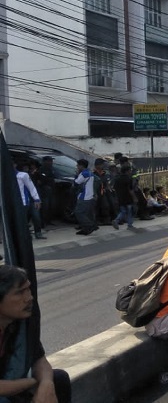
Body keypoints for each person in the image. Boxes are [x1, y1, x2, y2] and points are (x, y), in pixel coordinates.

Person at [0, 265, 72, 403]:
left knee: (58, 379)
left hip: (14, 386)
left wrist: (46, 385)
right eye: (20, 292)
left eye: (28, 289)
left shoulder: (20, 324)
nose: (29, 298)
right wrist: (31, 383)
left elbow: (39, 359)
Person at [16, 163, 46, 240]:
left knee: (36, 217)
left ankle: (38, 233)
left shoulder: (26, 175)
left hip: (32, 200)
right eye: (24, 167)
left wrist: (37, 199)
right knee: (24, 219)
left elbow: (32, 187)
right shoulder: (17, 176)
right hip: (22, 201)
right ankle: (26, 234)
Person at [73, 159, 98, 236]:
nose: (77, 167)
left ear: (81, 166)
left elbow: (76, 183)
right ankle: (86, 229)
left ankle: (90, 225)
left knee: (79, 212)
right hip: (91, 196)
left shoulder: (84, 174)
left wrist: (76, 174)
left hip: (84, 196)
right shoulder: (90, 173)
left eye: (78, 165)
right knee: (87, 213)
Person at [112, 165, 136, 230]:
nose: (130, 171)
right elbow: (130, 190)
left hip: (120, 197)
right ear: (127, 171)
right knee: (129, 211)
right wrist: (134, 198)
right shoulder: (128, 179)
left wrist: (116, 198)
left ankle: (116, 220)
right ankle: (130, 225)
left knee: (123, 211)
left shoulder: (117, 179)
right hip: (128, 198)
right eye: (130, 170)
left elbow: (114, 189)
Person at [35, 156, 55, 227]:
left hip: (50, 189)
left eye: (51, 161)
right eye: (49, 161)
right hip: (44, 190)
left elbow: (52, 178)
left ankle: (48, 221)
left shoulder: (51, 169)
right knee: (44, 207)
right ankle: (42, 222)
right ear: (44, 161)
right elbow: (42, 180)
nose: (51, 162)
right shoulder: (41, 169)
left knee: (50, 206)